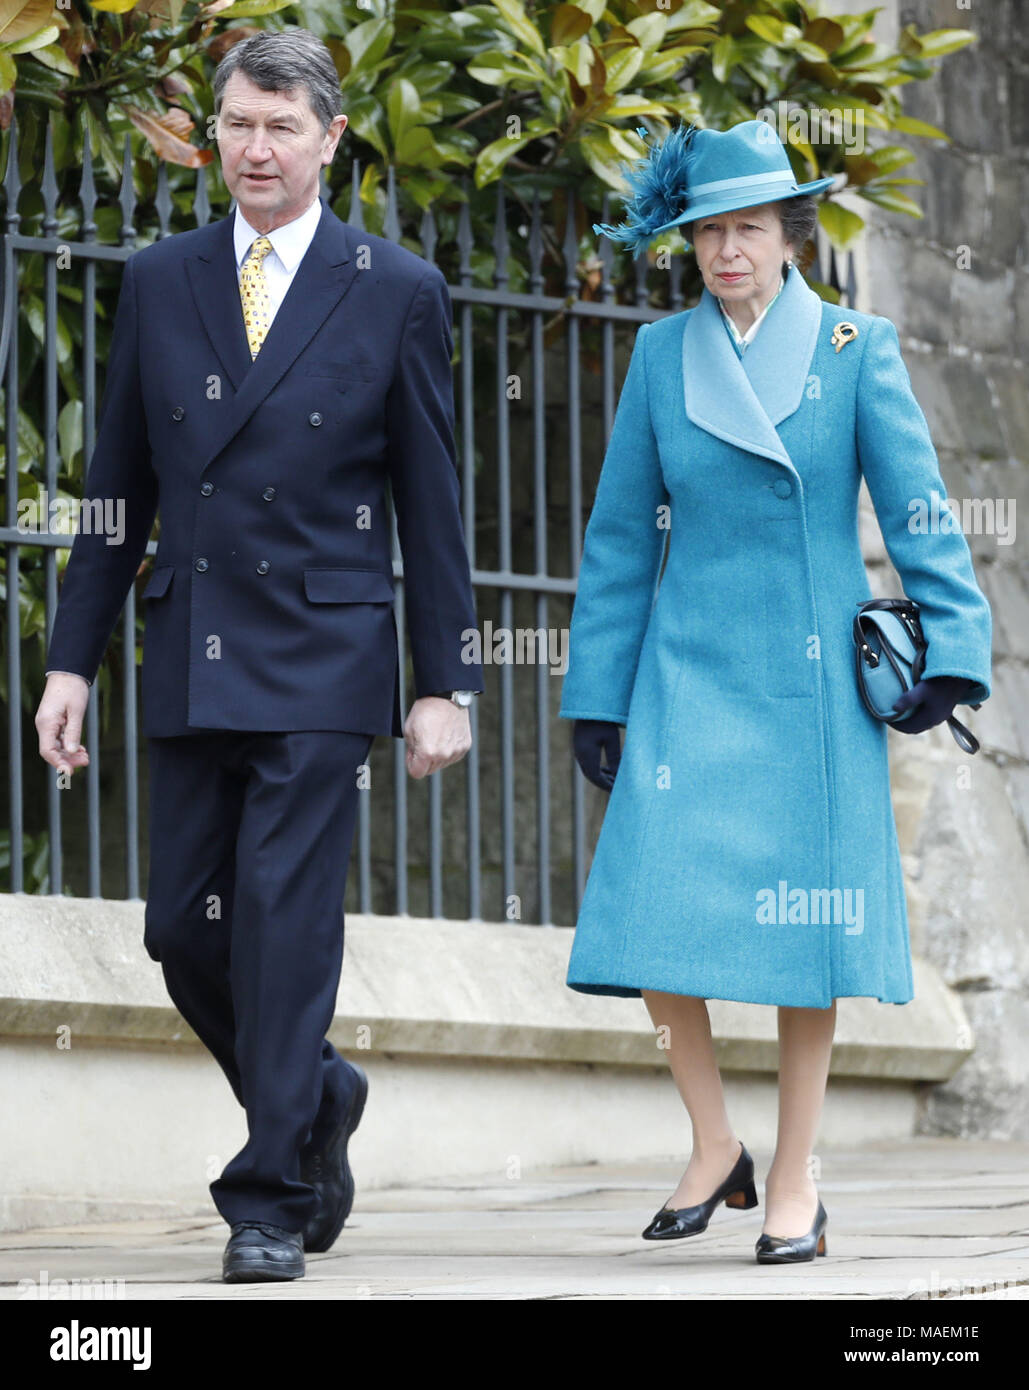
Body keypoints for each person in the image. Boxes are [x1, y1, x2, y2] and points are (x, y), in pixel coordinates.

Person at [35, 28, 482, 1283]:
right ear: (213, 134)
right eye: (238, 124)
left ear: (330, 140)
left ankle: (268, 1195)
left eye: (283, 127)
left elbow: (432, 502)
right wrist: (72, 659)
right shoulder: (163, 278)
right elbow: (114, 487)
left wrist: (443, 679)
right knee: (184, 931)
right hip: (191, 643)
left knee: (284, 926)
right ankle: (319, 1094)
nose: (257, 149)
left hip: (328, 651)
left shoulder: (392, 285)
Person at [562, 119, 991, 1264]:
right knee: (648, 902)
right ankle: (714, 1141)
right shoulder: (661, 357)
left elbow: (921, 514)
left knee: (816, 931)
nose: (727, 250)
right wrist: (596, 694)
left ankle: (795, 1171)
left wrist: (952, 647)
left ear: (789, 235)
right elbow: (615, 541)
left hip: (810, 684)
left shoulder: (858, 347)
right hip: (683, 672)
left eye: (748, 228)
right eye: (708, 231)